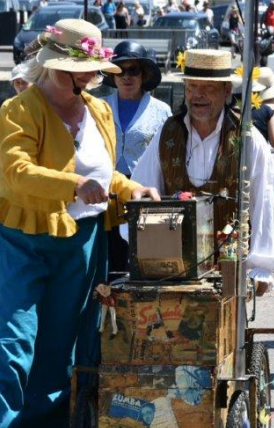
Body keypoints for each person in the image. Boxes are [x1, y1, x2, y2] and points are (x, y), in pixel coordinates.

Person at [0, 20, 159, 428]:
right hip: (22, 237)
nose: (95, 78)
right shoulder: (20, 108)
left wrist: (132, 189)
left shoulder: (99, 110)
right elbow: (16, 173)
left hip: (82, 240)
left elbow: (106, 175)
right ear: (59, 69)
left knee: (61, 346)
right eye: (86, 71)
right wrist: (74, 184)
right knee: (10, 340)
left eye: (96, 71)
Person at [131, 49, 274, 292]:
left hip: (230, 269)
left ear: (226, 91)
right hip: (174, 272)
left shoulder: (247, 137)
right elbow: (143, 188)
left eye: (208, 87)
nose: (198, 95)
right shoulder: (168, 132)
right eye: (192, 86)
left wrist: (261, 268)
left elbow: (265, 200)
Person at [100, 40, 171, 273]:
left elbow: (167, 154)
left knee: (143, 253)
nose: (126, 77)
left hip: (144, 187)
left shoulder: (161, 111)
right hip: (107, 188)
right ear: (113, 75)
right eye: (120, 70)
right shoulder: (100, 107)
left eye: (133, 70)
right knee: (110, 254)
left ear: (144, 75)